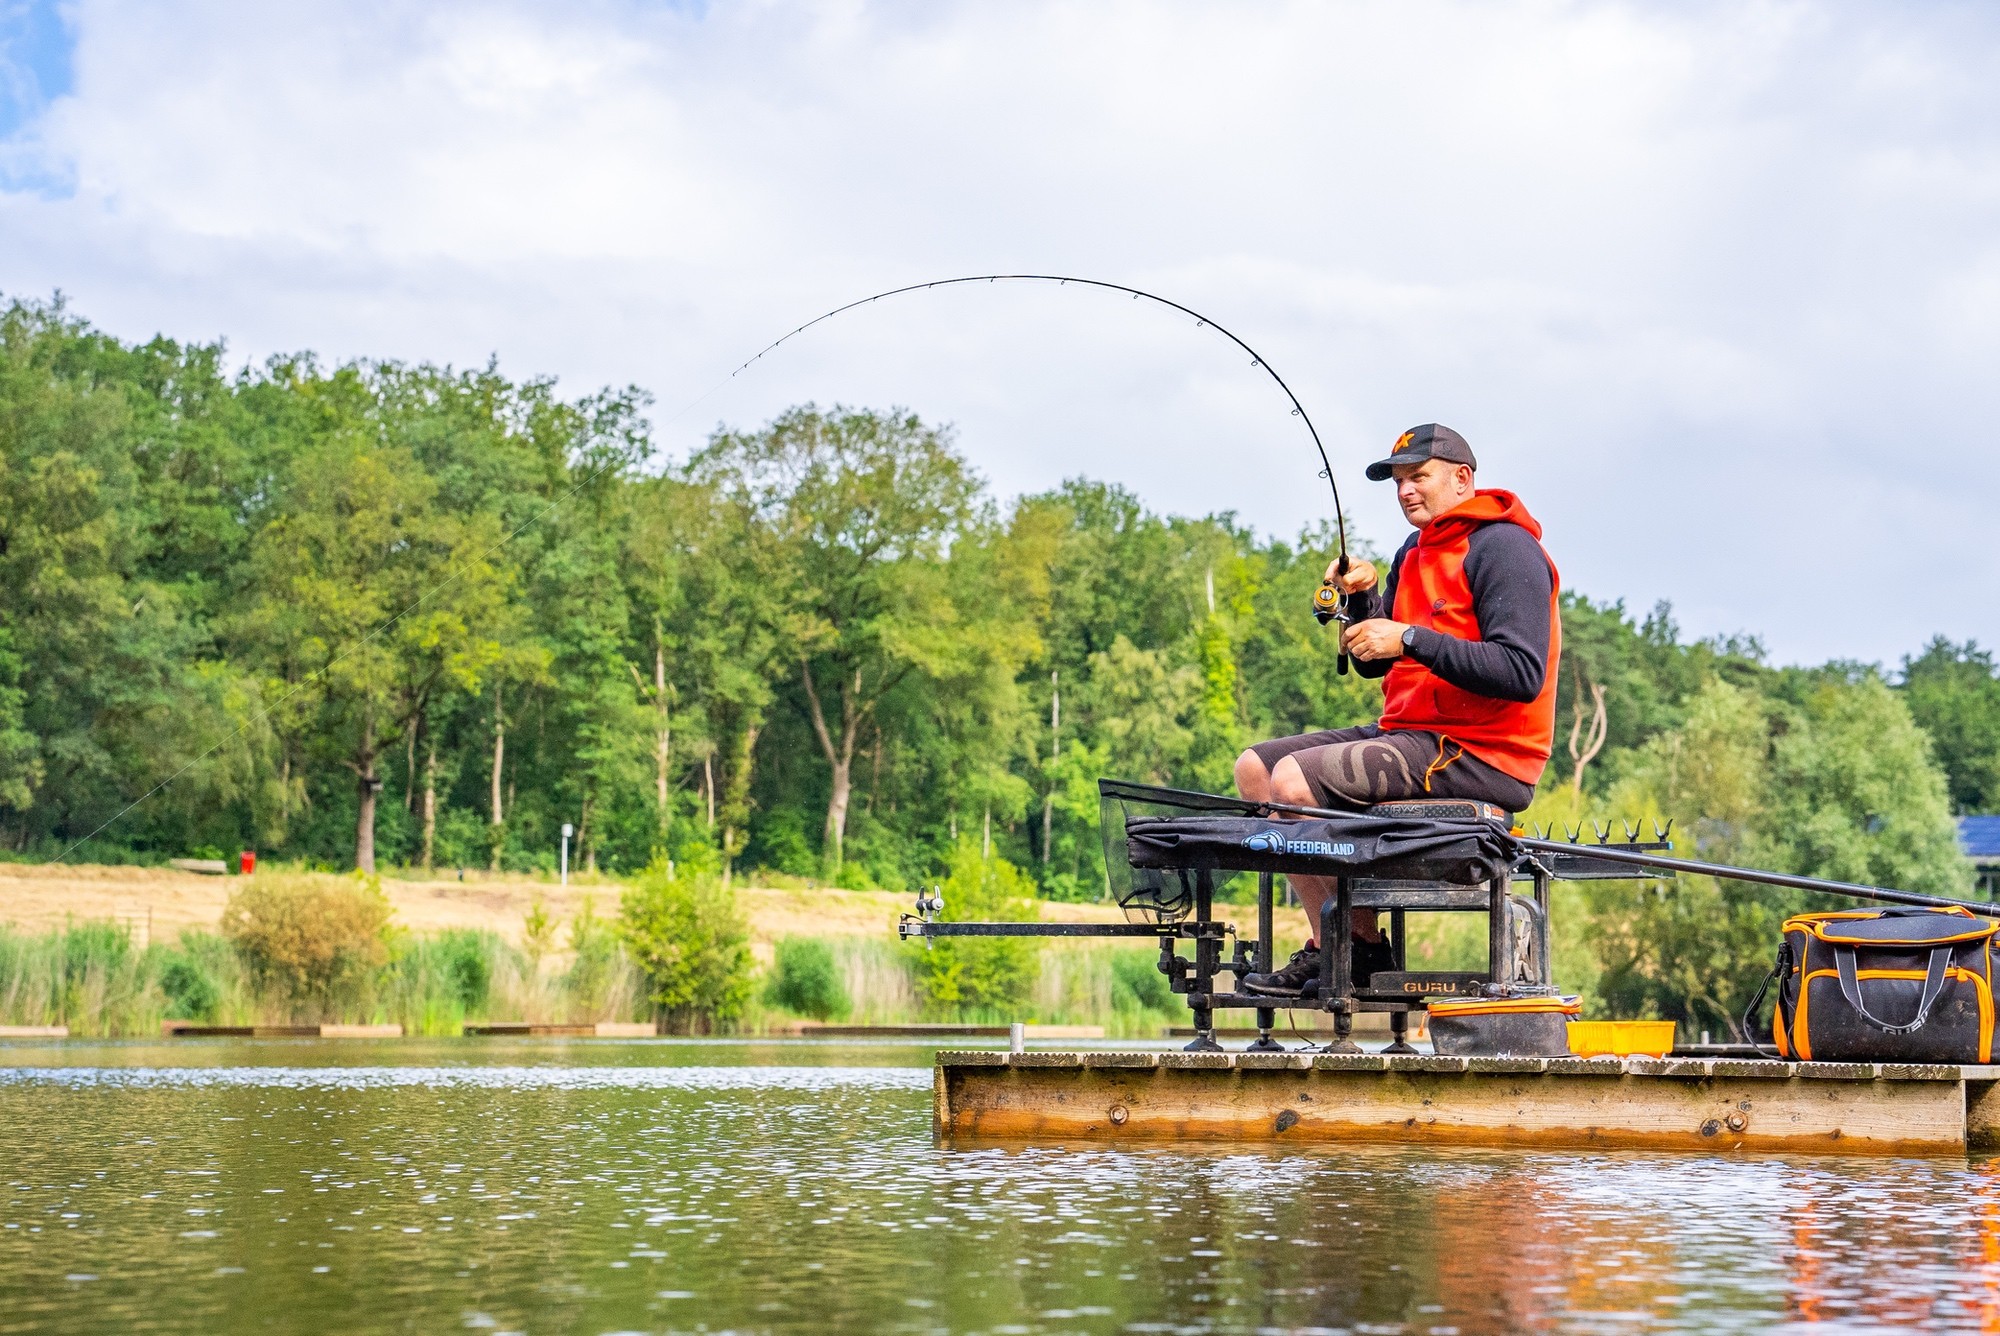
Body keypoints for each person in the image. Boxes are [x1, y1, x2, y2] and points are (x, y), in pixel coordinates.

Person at [1236, 423, 1561, 996]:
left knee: (1293, 782)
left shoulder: (1506, 548)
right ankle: (1342, 944)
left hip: (1483, 752)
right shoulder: (1413, 552)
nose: (1406, 491)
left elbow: (1520, 672)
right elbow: (1376, 664)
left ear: (1462, 479)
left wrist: (1407, 637)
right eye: (1398, 482)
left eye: (1419, 477)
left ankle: (1351, 948)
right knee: (1255, 770)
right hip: (1413, 733)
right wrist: (1364, 605)